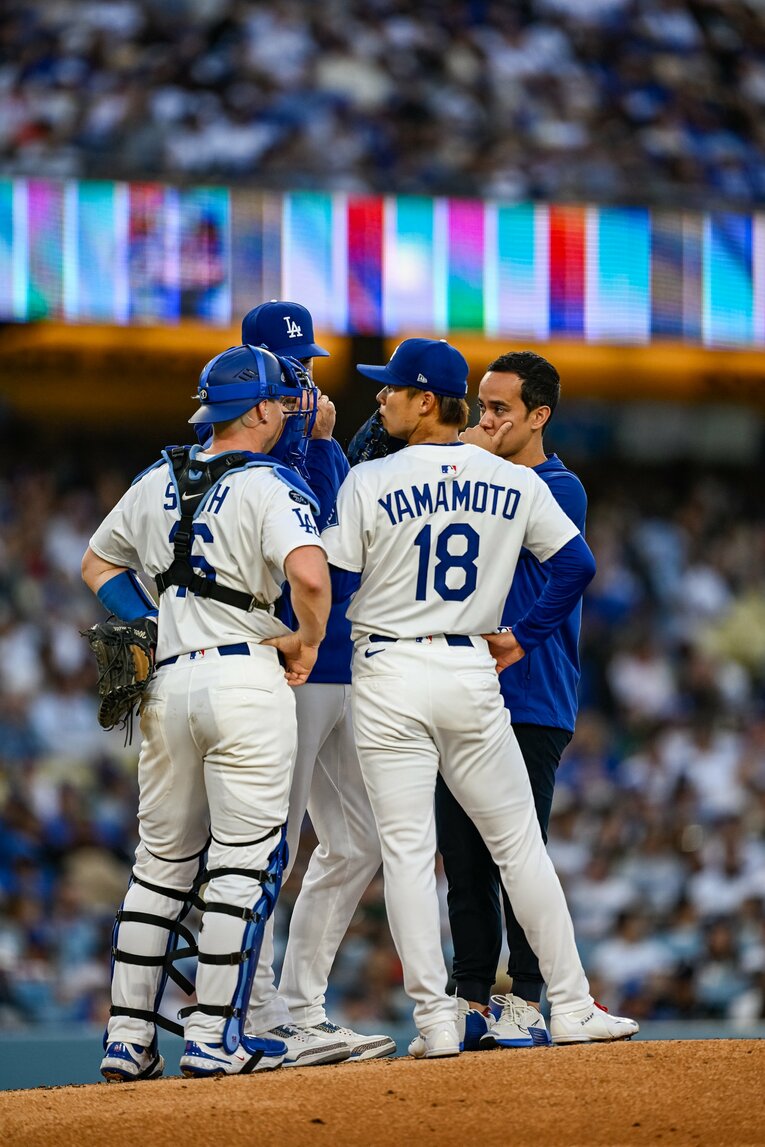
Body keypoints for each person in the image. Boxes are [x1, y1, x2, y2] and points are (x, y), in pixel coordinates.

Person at [322, 336, 639, 1055]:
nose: (381, 400)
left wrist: (308, 637)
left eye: (392, 390)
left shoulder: (374, 479)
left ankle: (438, 1018)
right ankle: (562, 1002)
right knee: (512, 847)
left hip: (395, 669)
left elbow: (334, 578)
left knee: (409, 852)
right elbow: (578, 565)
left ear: (423, 400)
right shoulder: (511, 483)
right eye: (486, 406)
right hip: (470, 668)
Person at [81, 344, 331, 1080]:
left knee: (158, 867)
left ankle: (127, 1039)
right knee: (240, 868)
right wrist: (306, 639)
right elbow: (310, 576)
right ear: (255, 409)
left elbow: (97, 562)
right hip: (243, 679)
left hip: (167, 685)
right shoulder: (268, 482)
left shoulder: (155, 477)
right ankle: (211, 1037)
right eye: (279, 401)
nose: (286, 410)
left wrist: (150, 621)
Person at [239, 301, 396, 1064]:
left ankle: (301, 1009)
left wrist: (326, 445)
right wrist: (319, 444)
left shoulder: (313, 442)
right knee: (271, 842)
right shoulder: (246, 442)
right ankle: (259, 1012)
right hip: (286, 666)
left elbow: (349, 542)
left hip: (343, 664)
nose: (305, 380)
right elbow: (317, 543)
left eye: (307, 365)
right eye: (290, 367)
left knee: (358, 838)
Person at [436, 350, 589, 1048]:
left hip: (530, 696)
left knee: (516, 854)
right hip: (462, 694)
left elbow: (567, 570)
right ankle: (470, 994)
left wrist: (520, 636)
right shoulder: (473, 479)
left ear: (538, 415)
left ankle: (525, 996)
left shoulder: (559, 485)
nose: (485, 417)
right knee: (461, 857)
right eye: (480, 403)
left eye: (500, 407)